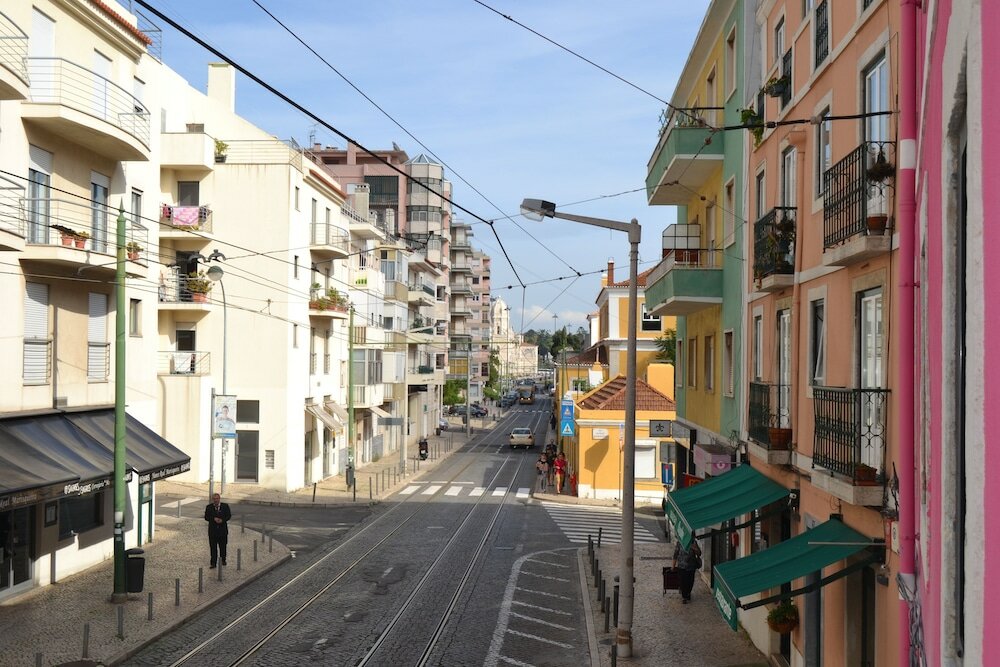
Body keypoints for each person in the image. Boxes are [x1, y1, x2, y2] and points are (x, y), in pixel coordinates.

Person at [204, 493, 232, 568]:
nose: (216, 500)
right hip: (213, 532)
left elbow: (228, 516)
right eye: (214, 499)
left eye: (217, 499)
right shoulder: (209, 507)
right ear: (212, 500)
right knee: (213, 548)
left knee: (223, 547)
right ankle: (213, 563)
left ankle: (223, 560)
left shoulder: (225, 506)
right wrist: (214, 519)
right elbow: (206, 517)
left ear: (219, 499)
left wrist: (222, 520)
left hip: (222, 531)